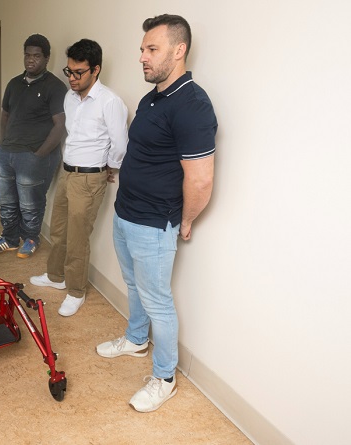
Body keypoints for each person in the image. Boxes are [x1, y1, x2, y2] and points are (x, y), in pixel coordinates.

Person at [96, 14, 217, 412]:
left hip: (154, 223)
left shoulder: (193, 104)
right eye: (143, 49)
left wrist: (185, 219)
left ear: (178, 50)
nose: (143, 57)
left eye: (152, 49)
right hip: (126, 212)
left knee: (157, 300)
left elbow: (199, 181)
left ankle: (164, 377)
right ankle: (135, 339)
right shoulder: (153, 98)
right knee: (134, 285)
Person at [30, 39, 129, 317]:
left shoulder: (110, 102)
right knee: (58, 229)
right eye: (69, 71)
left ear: (95, 70)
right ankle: (56, 276)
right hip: (67, 172)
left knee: (77, 237)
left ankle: (75, 291)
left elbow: (120, 144)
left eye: (78, 73)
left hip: (89, 179)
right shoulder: (69, 98)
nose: (72, 78)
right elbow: (71, 136)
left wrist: (110, 167)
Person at [0, 34, 67, 259]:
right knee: (7, 202)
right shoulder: (14, 83)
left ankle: (31, 238)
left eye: (37, 56)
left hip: (33, 155)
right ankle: (9, 238)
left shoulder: (55, 86)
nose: (31, 60)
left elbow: (60, 125)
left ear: (46, 58)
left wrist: (38, 155)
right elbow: (4, 117)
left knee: (31, 204)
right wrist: (2, 148)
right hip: (7, 154)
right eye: (27, 55)